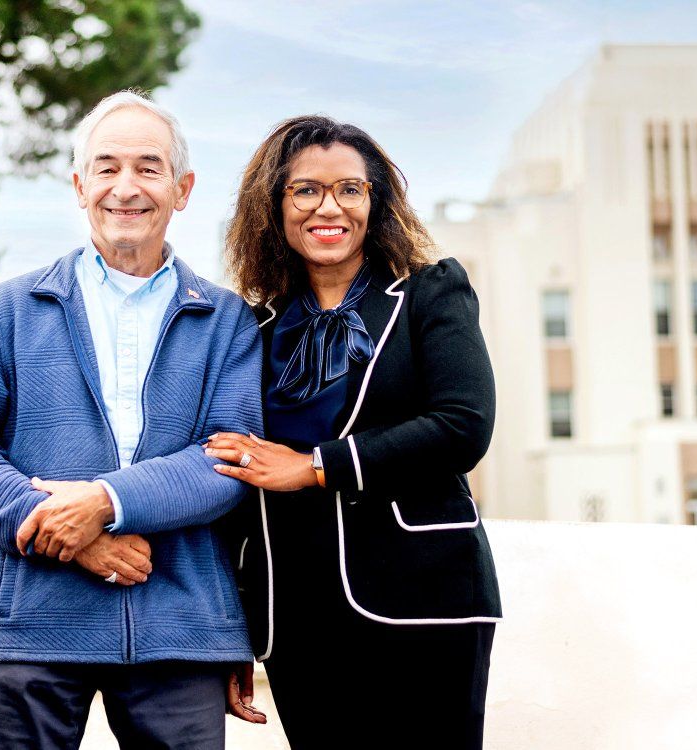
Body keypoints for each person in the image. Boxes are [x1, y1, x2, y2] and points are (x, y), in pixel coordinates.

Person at [0, 90, 266, 749]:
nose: (126, 187)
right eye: (106, 168)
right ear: (79, 186)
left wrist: (105, 502)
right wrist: (71, 534)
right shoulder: (11, 309)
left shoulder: (229, 323)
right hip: (32, 623)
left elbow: (229, 460)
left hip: (182, 631)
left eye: (148, 167)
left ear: (183, 188)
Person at [206, 115, 503, 749]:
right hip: (295, 616)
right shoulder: (251, 331)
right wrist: (232, 631)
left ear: (376, 201)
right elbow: (236, 479)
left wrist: (314, 466)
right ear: (274, 207)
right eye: (305, 190)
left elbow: (463, 426)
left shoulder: (430, 294)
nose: (329, 207)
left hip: (425, 596)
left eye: (350, 188)